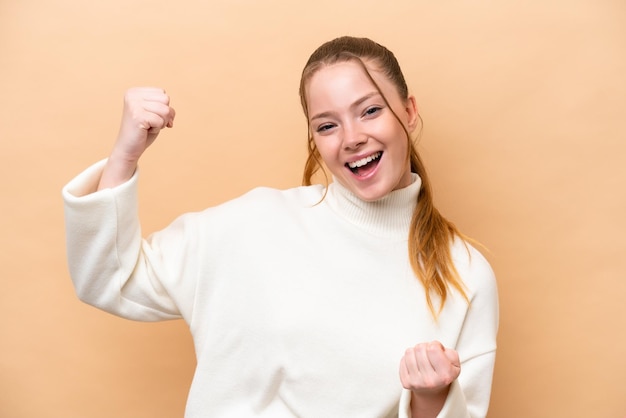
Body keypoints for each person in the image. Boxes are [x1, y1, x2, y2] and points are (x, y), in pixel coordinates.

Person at [63, 36, 498, 418]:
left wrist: (432, 398)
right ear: (314, 138)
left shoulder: (465, 275)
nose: (351, 138)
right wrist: (124, 155)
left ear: (409, 110)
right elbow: (109, 278)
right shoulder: (252, 225)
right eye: (327, 125)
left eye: (369, 111)